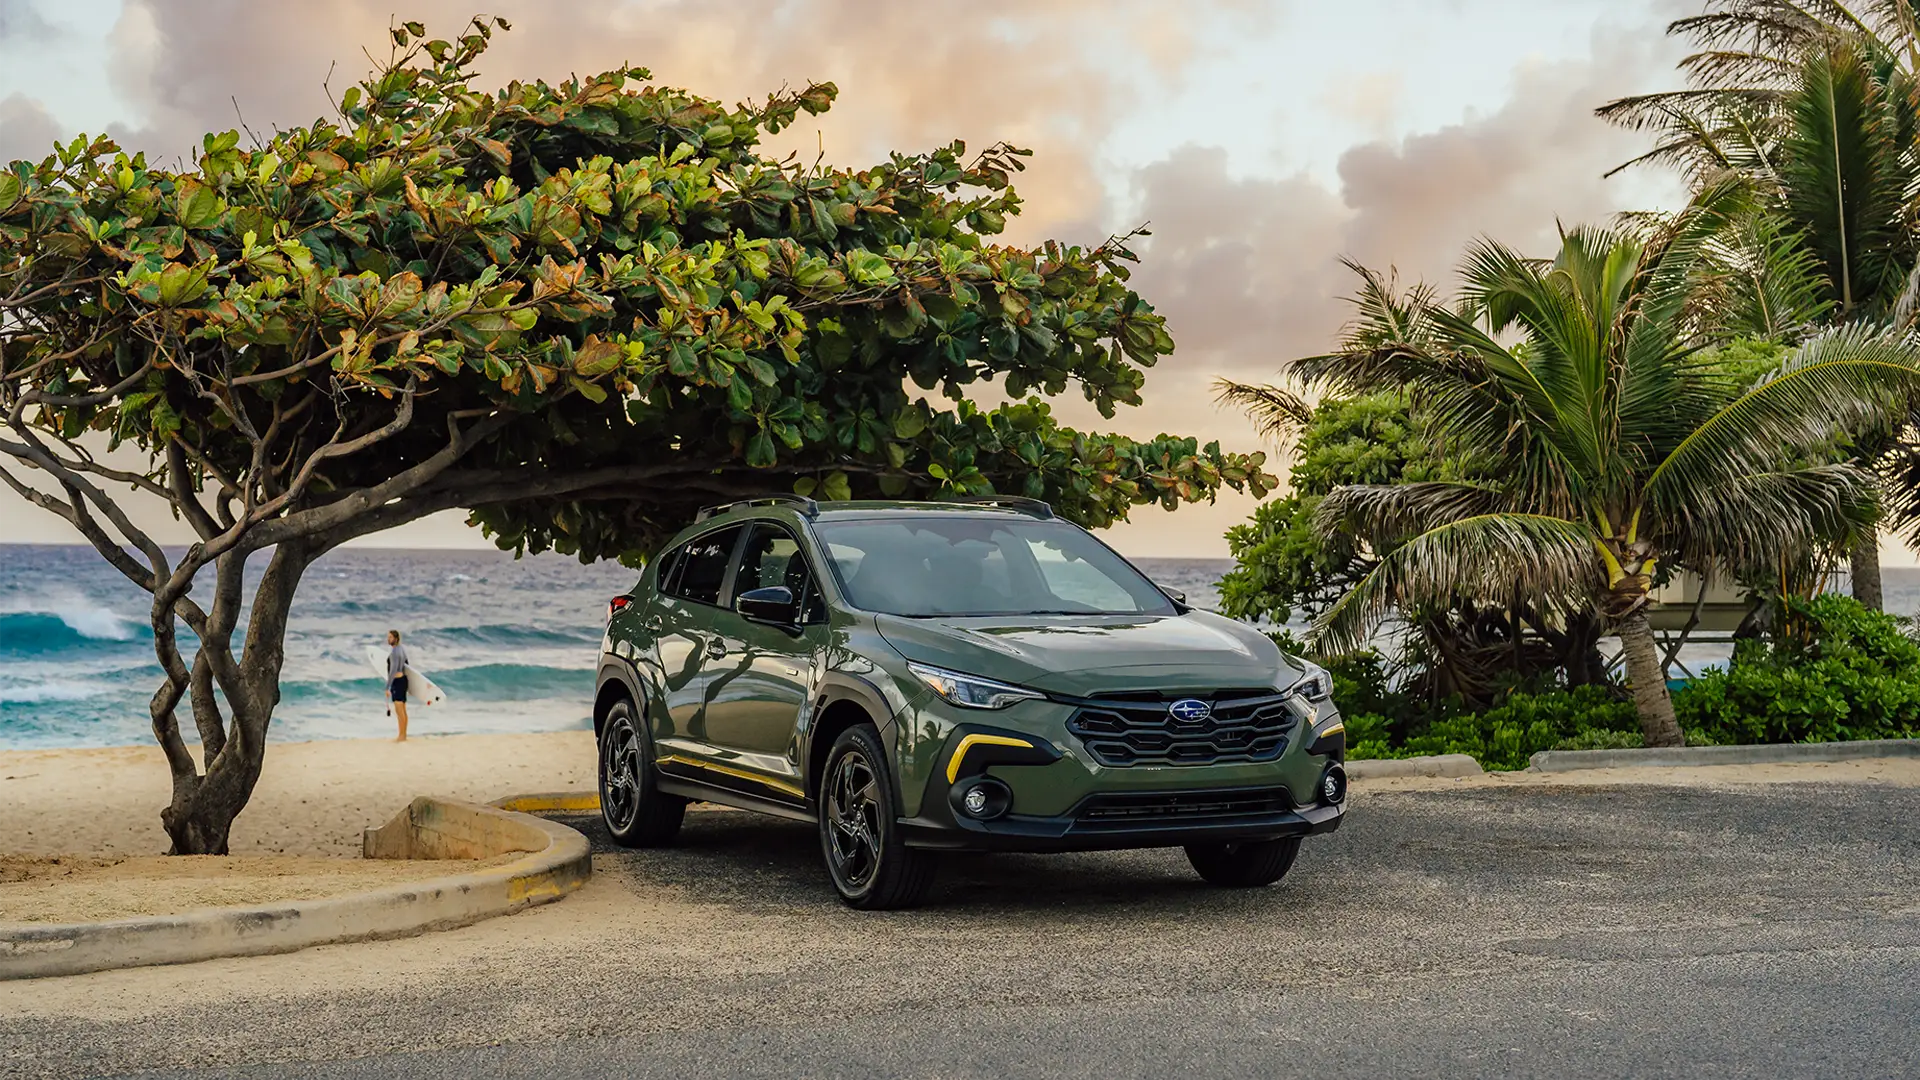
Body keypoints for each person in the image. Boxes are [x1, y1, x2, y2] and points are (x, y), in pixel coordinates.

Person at [385, 629, 411, 742]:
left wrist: (387, 687)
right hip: (404, 680)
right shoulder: (402, 650)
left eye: (390, 637)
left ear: (396, 639)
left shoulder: (394, 652)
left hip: (397, 682)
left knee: (399, 711)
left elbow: (393, 671)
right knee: (403, 711)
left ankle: (401, 736)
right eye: (388, 637)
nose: (388, 639)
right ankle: (403, 735)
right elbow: (407, 665)